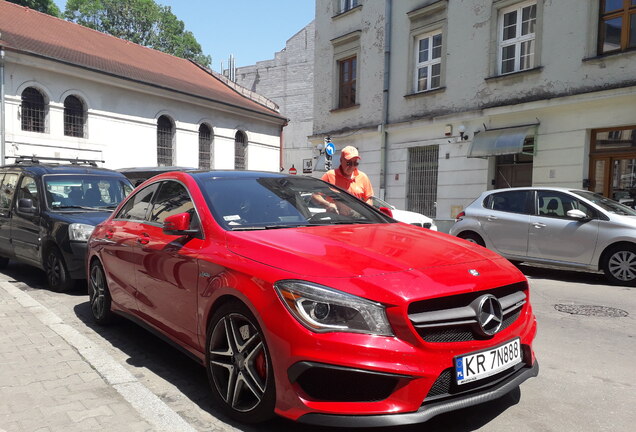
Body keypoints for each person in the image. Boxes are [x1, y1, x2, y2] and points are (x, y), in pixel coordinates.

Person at [316, 146, 374, 213]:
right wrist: (328, 205)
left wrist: (363, 212)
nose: (352, 167)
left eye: (355, 163)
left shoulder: (363, 177)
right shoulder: (329, 175)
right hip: (335, 218)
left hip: (357, 220)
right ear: (341, 160)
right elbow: (315, 195)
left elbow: (369, 199)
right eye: (349, 163)